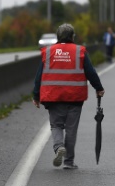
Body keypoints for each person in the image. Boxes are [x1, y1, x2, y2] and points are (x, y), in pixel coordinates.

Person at [33, 23, 105, 170]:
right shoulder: (80, 51)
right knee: (71, 130)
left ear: (57, 37)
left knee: (56, 126)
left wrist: (36, 95)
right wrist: (98, 88)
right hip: (75, 97)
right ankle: (68, 162)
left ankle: (59, 146)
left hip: (53, 96)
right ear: (73, 36)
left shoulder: (48, 52)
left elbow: (39, 76)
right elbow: (90, 72)